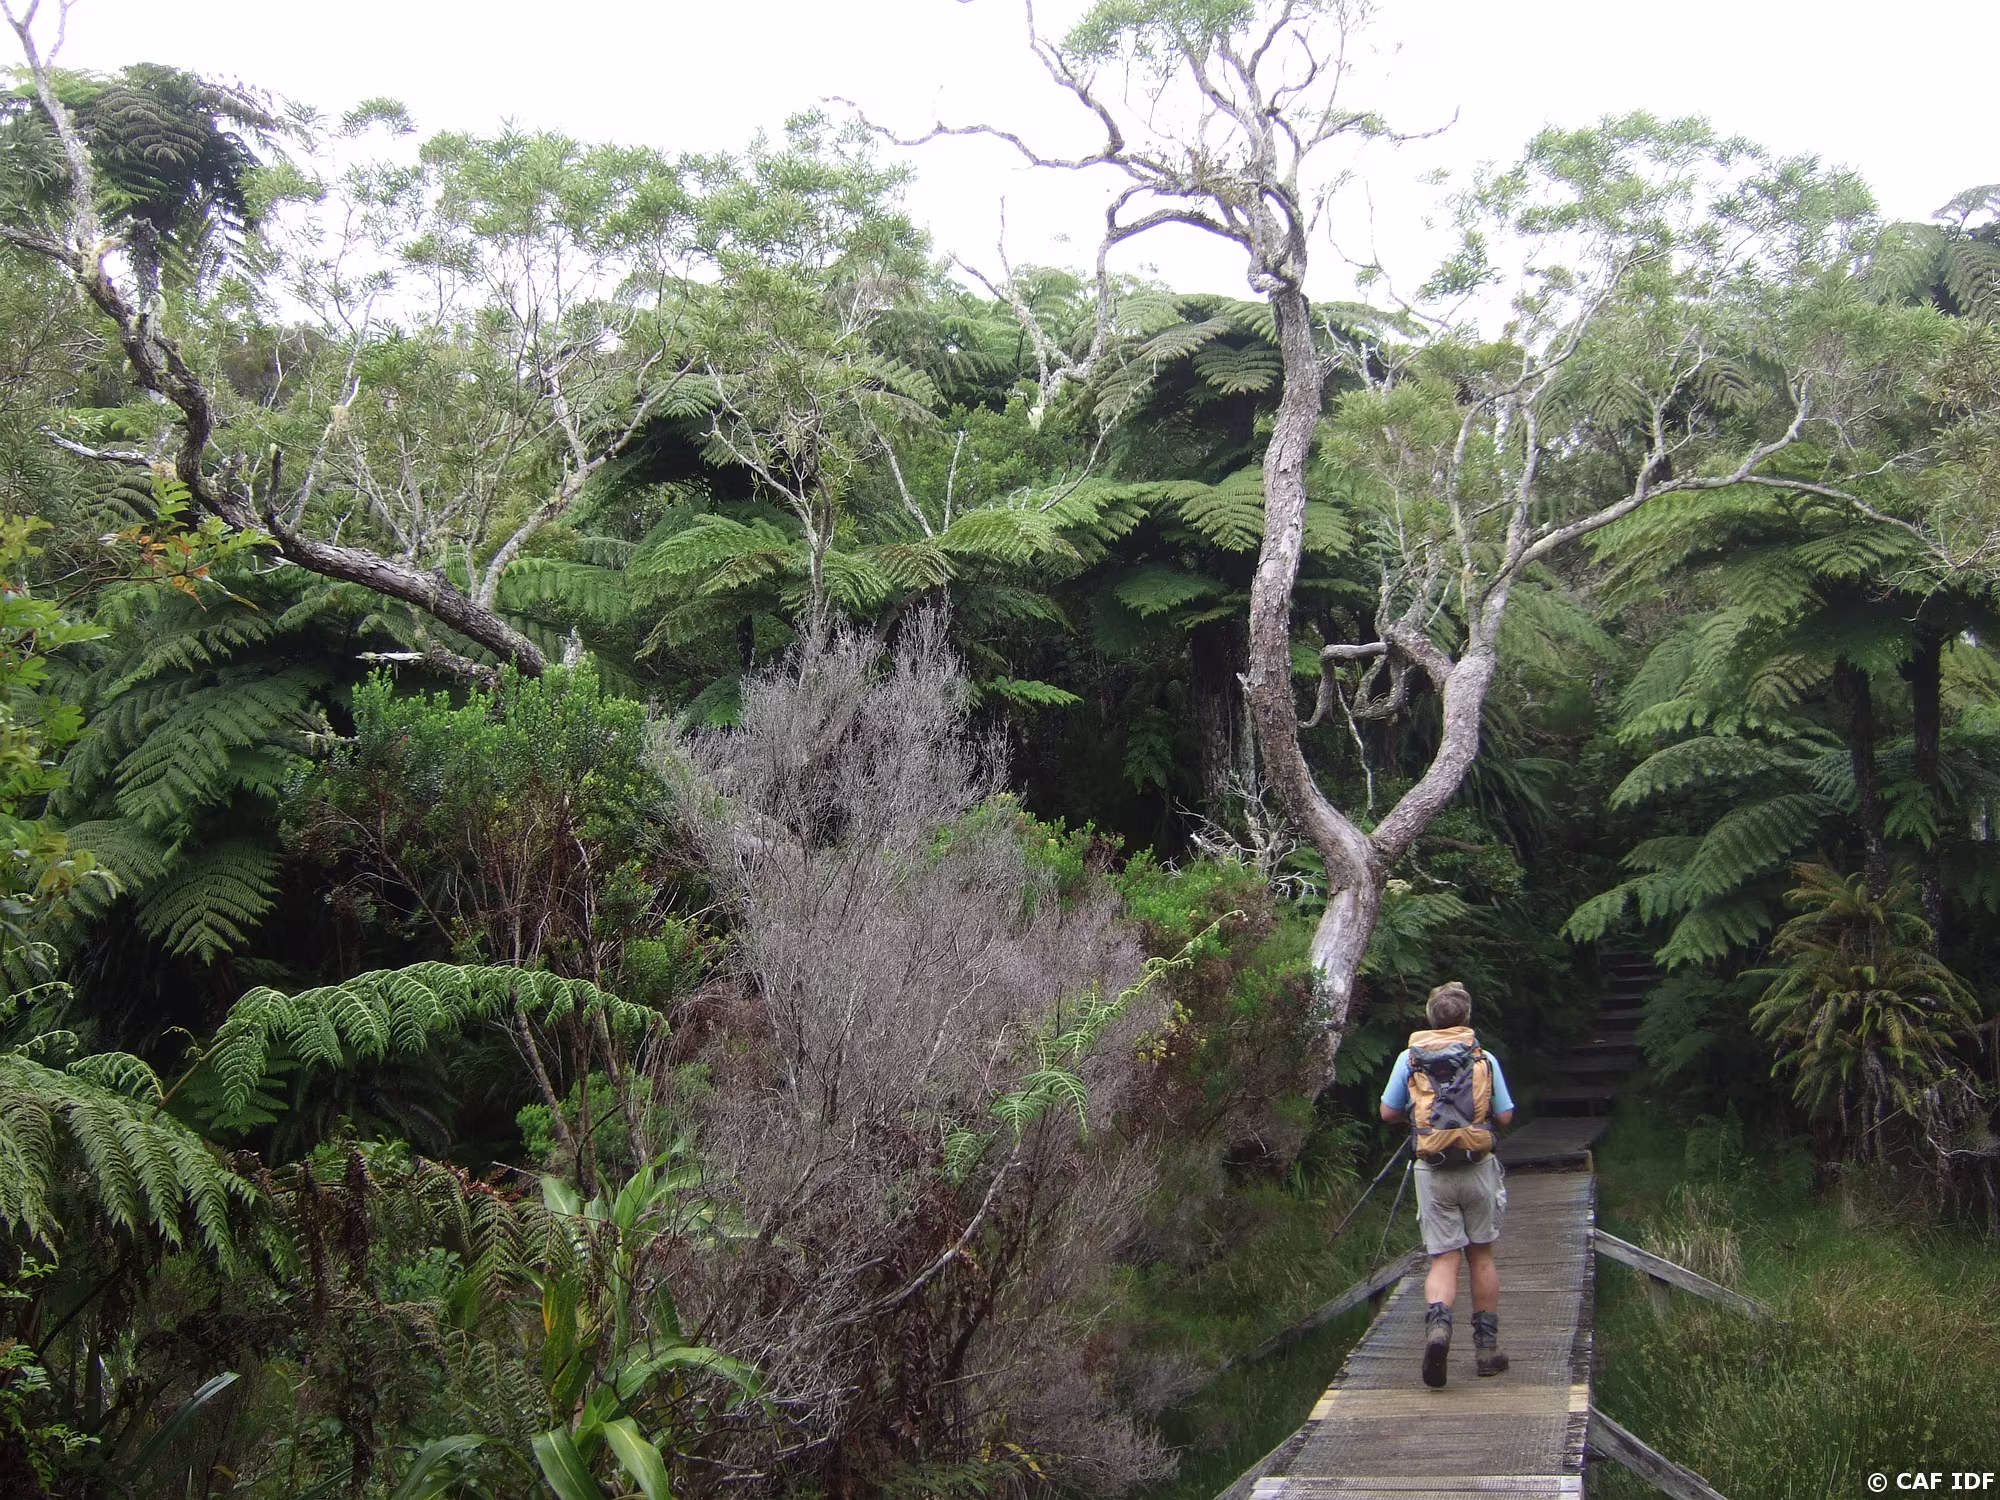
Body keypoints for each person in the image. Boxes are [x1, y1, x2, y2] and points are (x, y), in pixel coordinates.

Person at [1378, 980, 1514, 1388]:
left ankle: (1438, 1332)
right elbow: (1505, 1117)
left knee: (1443, 1259)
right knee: (1482, 1257)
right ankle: (1486, 1352)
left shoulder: (1409, 1058)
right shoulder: (1483, 1057)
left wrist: (1420, 1119)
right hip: (1478, 1166)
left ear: (1430, 1017)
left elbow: (1387, 1112)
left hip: (1433, 1170)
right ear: (1466, 1017)